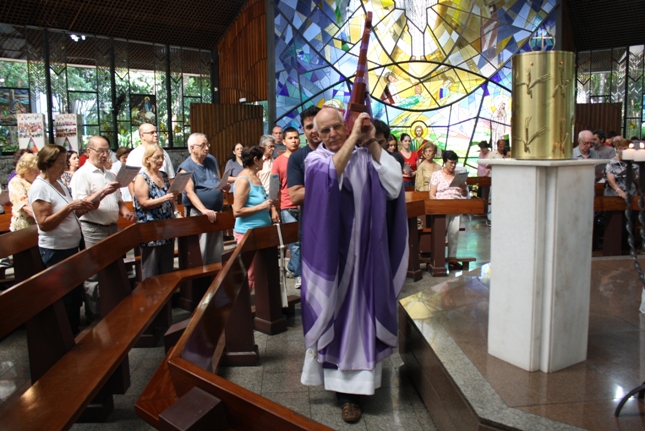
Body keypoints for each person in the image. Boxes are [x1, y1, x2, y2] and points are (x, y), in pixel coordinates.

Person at [300, 107, 408, 423]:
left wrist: (371, 141)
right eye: (325, 131)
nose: (332, 134)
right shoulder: (315, 160)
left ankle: (364, 384)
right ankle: (346, 395)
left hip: (369, 256)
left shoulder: (365, 156)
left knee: (365, 318)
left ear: (346, 126)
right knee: (338, 318)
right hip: (333, 261)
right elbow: (329, 177)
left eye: (337, 127)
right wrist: (353, 140)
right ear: (316, 135)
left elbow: (394, 186)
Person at [28, 144, 96, 334]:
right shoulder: (40, 188)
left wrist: (84, 208)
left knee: (74, 293)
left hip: (70, 245)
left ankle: (74, 330)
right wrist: (70, 207)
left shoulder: (58, 184)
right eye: (60, 163)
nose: (65, 166)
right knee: (64, 295)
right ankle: (66, 335)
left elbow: (69, 215)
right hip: (56, 249)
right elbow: (44, 223)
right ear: (47, 163)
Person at [71, 136, 134, 322]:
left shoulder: (109, 174)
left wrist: (126, 212)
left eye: (107, 151)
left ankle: (114, 309)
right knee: (94, 273)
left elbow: (118, 200)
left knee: (115, 269)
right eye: (100, 151)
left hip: (112, 227)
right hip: (93, 228)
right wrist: (102, 192)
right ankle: (95, 314)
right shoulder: (82, 175)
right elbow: (80, 206)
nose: (105, 155)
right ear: (88, 151)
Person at [232, 146, 279, 291]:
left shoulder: (255, 177)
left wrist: (271, 203)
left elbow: (259, 200)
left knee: (262, 271)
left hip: (262, 231)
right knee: (250, 273)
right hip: (247, 232)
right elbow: (237, 211)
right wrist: (262, 207)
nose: (264, 161)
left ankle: (261, 302)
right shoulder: (243, 180)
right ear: (255, 160)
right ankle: (245, 303)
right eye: (262, 159)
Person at [133, 144, 180, 279]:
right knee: (151, 268)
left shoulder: (164, 175)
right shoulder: (142, 177)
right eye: (157, 157)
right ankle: (150, 292)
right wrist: (165, 198)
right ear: (147, 159)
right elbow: (143, 202)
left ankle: (167, 292)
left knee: (167, 267)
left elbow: (171, 197)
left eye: (162, 157)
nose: (160, 161)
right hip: (151, 228)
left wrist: (176, 211)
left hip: (166, 226)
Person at [177, 133, 225, 265]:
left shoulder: (212, 160)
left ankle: (216, 275)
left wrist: (223, 186)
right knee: (201, 250)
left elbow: (218, 180)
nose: (207, 148)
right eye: (203, 145)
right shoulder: (185, 168)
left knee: (216, 251)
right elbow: (189, 192)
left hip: (216, 211)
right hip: (198, 212)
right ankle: (200, 276)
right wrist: (204, 210)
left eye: (207, 144)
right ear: (192, 148)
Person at [272, 126, 301, 287]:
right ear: (283, 141)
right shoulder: (278, 161)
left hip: (304, 204)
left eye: (296, 137)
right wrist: (273, 208)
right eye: (290, 138)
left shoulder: (305, 156)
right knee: (294, 243)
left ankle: (294, 267)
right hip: (287, 205)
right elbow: (274, 187)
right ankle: (299, 274)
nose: (294, 141)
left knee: (306, 241)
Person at [429, 150, 468, 269]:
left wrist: (463, 188)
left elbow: (465, 194)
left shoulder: (459, 175)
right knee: (440, 233)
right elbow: (432, 194)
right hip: (441, 207)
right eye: (451, 163)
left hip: (456, 206)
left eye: (455, 163)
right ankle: (438, 258)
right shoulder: (437, 175)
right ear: (445, 162)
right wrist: (437, 206)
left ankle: (452, 258)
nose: (453, 165)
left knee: (454, 233)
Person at [126, 123, 176, 196]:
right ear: (142, 136)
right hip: (145, 196)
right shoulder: (134, 155)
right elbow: (131, 181)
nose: (155, 134)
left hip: (165, 195)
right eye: (152, 133)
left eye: (156, 132)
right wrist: (134, 198)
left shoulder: (163, 152)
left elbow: (170, 177)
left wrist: (173, 196)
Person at [8, 153, 39, 231]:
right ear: (25, 170)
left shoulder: (37, 181)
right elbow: (25, 206)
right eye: (35, 171)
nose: (38, 173)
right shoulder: (16, 182)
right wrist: (42, 218)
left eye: (39, 170)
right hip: (25, 226)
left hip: (40, 224)